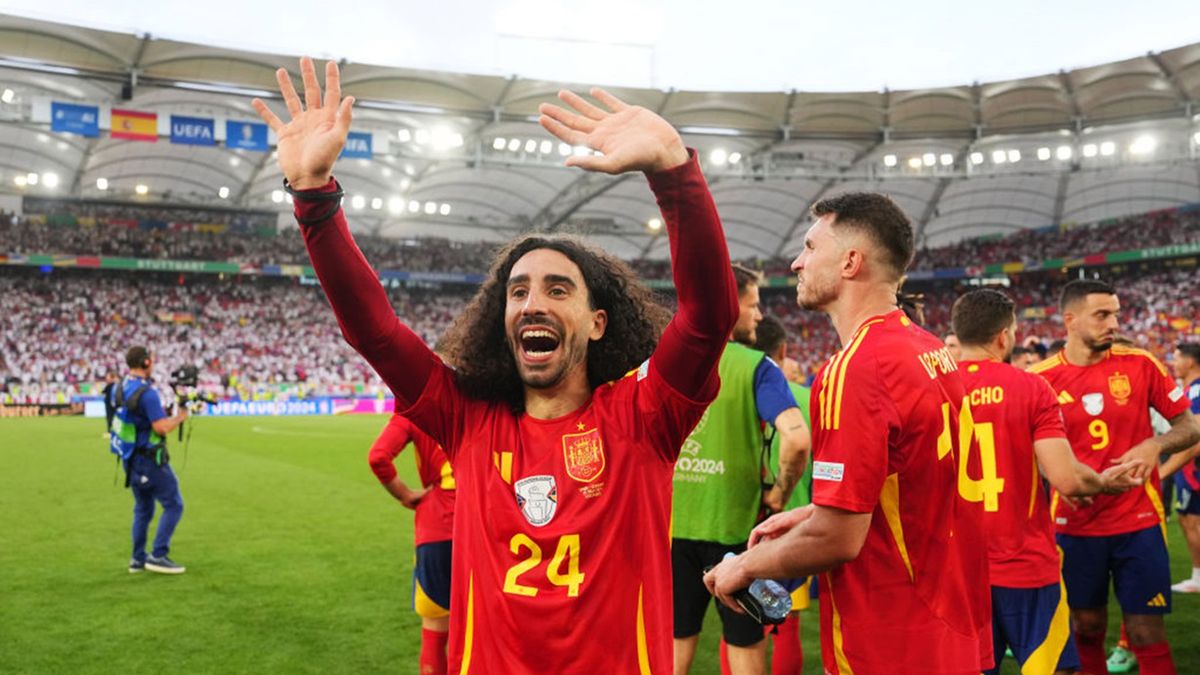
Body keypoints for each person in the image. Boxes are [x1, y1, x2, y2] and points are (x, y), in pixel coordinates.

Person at [252, 57, 738, 673]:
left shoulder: (646, 419)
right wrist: (315, 200)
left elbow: (706, 319)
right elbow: (374, 331)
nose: (533, 301)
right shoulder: (468, 418)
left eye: (559, 289)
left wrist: (674, 170)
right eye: (518, 291)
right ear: (499, 318)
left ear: (598, 323)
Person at [704, 192, 992, 674]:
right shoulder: (927, 347)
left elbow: (839, 540)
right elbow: (904, 478)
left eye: (811, 248)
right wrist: (814, 513)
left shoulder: (856, 368)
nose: (797, 262)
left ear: (850, 262)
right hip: (946, 615)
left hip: (891, 634)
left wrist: (745, 567)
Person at [951, 289, 1142, 675]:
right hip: (1024, 566)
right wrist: (1103, 482)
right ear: (1004, 336)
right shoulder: (1030, 387)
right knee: (1054, 668)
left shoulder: (931, 391)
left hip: (956, 570)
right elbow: (1067, 479)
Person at [1028, 279, 1200, 675]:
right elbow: (1022, 451)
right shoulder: (1040, 379)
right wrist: (1057, 476)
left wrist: (1155, 445)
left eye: (1117, 313)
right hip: (1075, 526)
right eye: (1102, 314)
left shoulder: (1141, 365)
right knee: (1086, 628)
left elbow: (1189, 426)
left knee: (1146, 632)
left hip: (1138, 521)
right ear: (1070, 320)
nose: (1114, 323)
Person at [672, 266, 808, 675]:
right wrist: (780, 495)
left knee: (673, 646)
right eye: (753, 305)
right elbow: (797, 439)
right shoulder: (756, 366)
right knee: (745, 647)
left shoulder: (669, 360)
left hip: (671, 529)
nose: (760, 316)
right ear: (730, 309)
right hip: (736, 535)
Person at [367, 409, 456, 675]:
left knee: (435, 628)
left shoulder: (415, 406)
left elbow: (378, 457)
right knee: (483, 628)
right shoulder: (478, 400)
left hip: (436, 527)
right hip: (480, 524)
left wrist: (404, 494)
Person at [753, 314, 813, 675]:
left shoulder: (724, 388)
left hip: (745, 522)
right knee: (785, 624)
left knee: (743, 628)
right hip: (794, 523)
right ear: (784, 350)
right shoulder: (807, 398)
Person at [111, 346, 189, 574]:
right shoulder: (147, 393)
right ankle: (158, 555)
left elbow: (134, 417)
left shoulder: (119, 388)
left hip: (129, 458)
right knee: (174, 504)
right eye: (151, 360)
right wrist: (181, 416)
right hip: (149, 459)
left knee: (143, 509)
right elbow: (161, 427)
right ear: (145, 363)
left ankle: (137, 559)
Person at [1161, 342, 1200, 593]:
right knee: (1188, 519)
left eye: (1176, 358)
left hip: (1193, 469)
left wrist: (1164, 471)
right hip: (1188, 468)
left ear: (1191, 362)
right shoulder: (1188, 390)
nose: (1173, 363)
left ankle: (1198, 578)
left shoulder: (1196, 391)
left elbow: (1195, 438)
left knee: (1192, 520)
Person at [101, 371, 118, 436]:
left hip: (110, 404)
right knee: (113, 417)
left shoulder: (111, 385)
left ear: (112, 378)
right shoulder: (114, 385)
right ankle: (113, 431)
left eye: (108, 377)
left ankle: (110, 431)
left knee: (110, 417)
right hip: (112, 404)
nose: (106, 378)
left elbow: (103, 392)